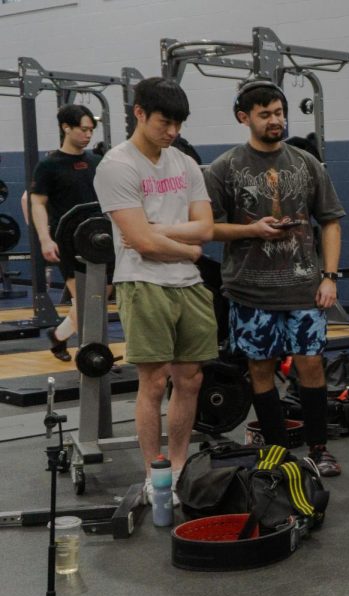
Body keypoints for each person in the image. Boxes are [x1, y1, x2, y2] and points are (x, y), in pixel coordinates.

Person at [204, 80, 346, 477]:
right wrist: (252, 230)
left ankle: (318, 450)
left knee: (311, 365)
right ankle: (278, 452)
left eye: (279, 113)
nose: (275, 121)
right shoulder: (225, 168)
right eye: (265, 114)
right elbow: (206, 228)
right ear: (243, 117)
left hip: (303, 287)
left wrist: (329, 276)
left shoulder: (306, 163)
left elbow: (331, 221)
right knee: (261, 370)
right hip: (250, 290)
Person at [93, 77, 216, 501]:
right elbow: (141, 243)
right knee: (154, 381)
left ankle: (178, 466)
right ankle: (153, 473)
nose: (173, 132)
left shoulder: (183, 163)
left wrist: (166, 236)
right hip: (143, 284)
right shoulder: (116, 166)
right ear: (139, 112)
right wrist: (191, 251)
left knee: (191, 379)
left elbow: (206, 227)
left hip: (189, 287)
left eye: (179, 124)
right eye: (165, 122)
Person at [27, 104, 103, 361]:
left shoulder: (96, 161)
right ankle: (92, 357)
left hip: (100, 240)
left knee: (97, 300)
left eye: (91, 130)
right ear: (66, 127)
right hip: (69, 242)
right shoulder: (49, 166)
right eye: (83, 129)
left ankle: (58, 336)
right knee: (88, 302)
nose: (88, 135)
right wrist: (45, 239)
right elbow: (36, 202)